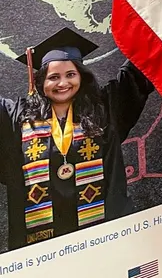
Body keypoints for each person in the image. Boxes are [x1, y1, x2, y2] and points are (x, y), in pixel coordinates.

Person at [0, 28, 153, 249]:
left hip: (103, 237)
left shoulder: (104, 108)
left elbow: (138, 72)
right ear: (41, 82)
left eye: (70, 74)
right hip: (40, 246)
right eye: (54, 77)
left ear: (82, 76)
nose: (63, 83)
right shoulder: (19, 117)